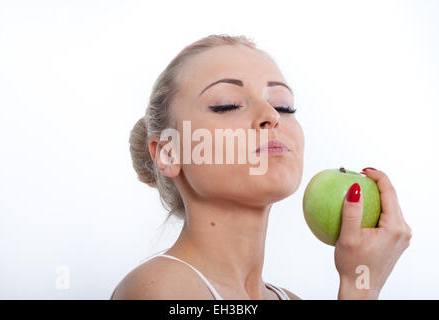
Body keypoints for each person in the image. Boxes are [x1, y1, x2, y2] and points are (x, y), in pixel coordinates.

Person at [111, 34, 412, 300]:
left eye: (284, 106)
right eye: (227, 104)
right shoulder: (157, 290)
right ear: (169, 153)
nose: (272, 115)